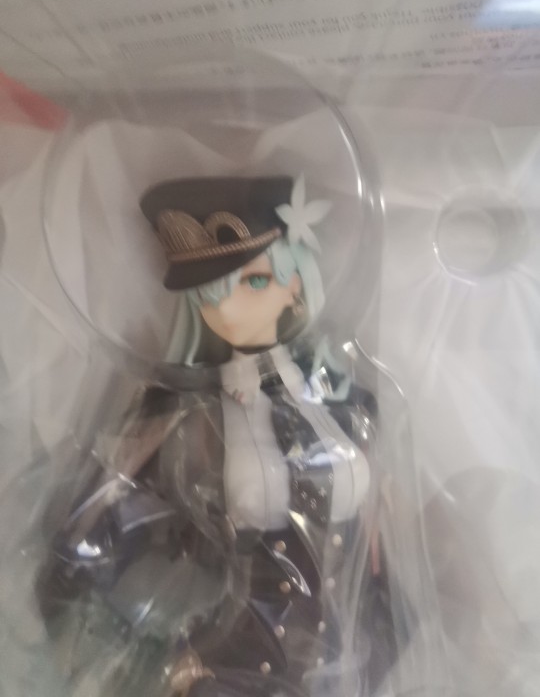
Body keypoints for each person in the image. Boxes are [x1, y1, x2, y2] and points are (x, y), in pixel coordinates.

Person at [36, 175, 382, 697]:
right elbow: (95, 535)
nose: (230, 308)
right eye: (211, 295)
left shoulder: (342, 400)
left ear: (296, 283)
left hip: (347, 664)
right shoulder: (188, 417)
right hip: (236, 668)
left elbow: (374, 546)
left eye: (256, 282)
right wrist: (128, 634)